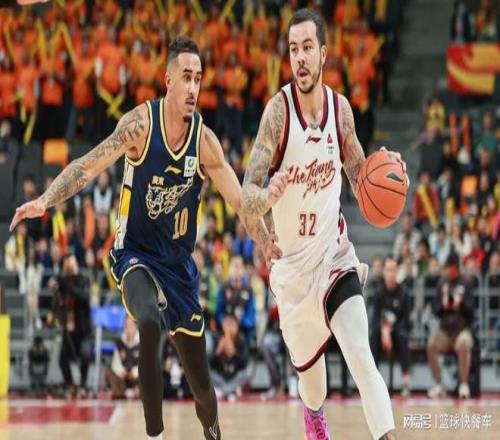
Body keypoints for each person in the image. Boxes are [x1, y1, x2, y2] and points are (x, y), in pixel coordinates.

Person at [10, 36, 278, 440]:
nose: (193, 87)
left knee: (201, 383)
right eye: (185, 77)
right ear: (168, 80)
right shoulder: (140, 125)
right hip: (134, 255)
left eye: (198, 78)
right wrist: (45, 201)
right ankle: (155, 434)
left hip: (178, 267)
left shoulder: (204, 142)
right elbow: (88, 165)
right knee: (149, 321)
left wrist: (265, 239)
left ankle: (214, 432)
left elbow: (241, 204)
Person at [241, 9, 408, 440]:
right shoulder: (277, 114)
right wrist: (265, 213)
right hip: (292, 272)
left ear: (323, 53)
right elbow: (246, 194)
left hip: (333, 256)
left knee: (360, 354)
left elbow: (361, 177)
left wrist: (389, 171)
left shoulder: (340, 111)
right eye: (293, 49)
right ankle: (314, 417)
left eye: (307, 48)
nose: (299, 57)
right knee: (314, 387)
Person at [427, 252, 474, 399]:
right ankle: (439, 385)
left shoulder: (466, 283)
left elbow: (472, 310)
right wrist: (443, 305)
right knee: (431, 345)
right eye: (448, 268)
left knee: (464, 342)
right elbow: (435, 309)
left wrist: (461, 304)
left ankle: (464, 385)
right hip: (445, 332)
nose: (449, 271)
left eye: (452, 268)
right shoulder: (442, 283)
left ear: (457, 268)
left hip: (461, 331)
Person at [48, 253, 91, 397]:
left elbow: (84, 297)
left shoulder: (83, 280)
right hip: (68, 329)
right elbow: (57, 302)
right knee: (62, 359)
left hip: (83, 329)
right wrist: (53, 313)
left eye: (71, 264)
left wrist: (67, 286)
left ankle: (83, 384)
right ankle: (70, 383)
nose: (68, 267)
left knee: (85, 354)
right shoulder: (63, 282)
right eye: (66, 265)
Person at [370, 257, 412, 397]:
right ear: (384, 272)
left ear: (398, 271)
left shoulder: (404, 292)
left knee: (403, 336)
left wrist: (390, 329)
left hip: (397, 333)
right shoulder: (378, 293)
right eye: (388, 270)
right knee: (373, 336)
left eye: (394, 270)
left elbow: (407, 321)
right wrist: (384, 329)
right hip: (382, 335)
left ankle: (406, 383)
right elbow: (375, 319)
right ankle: (372, 383)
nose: (391, 274)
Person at [106, 316, 140, 399]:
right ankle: (122, 392)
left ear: (136, 326)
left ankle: (137, 390)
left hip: (137, 376)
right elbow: (115, 363)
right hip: (123, 376)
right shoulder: (120, 342)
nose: (128, 329)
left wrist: (134, 373)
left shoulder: (142, 342)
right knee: (110, 374)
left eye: (130, 325)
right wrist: (122, 372)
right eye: (126, 325)